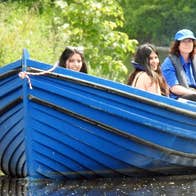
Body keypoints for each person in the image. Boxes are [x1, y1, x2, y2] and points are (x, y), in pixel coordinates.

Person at [161, 29, 196, 101]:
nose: (187, 44)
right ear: (177, 45)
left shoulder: (194, 59)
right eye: (184, 41)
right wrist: (193, 93)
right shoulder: (169, 63)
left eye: (190, 41)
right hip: (179, 99)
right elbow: (174, 88)